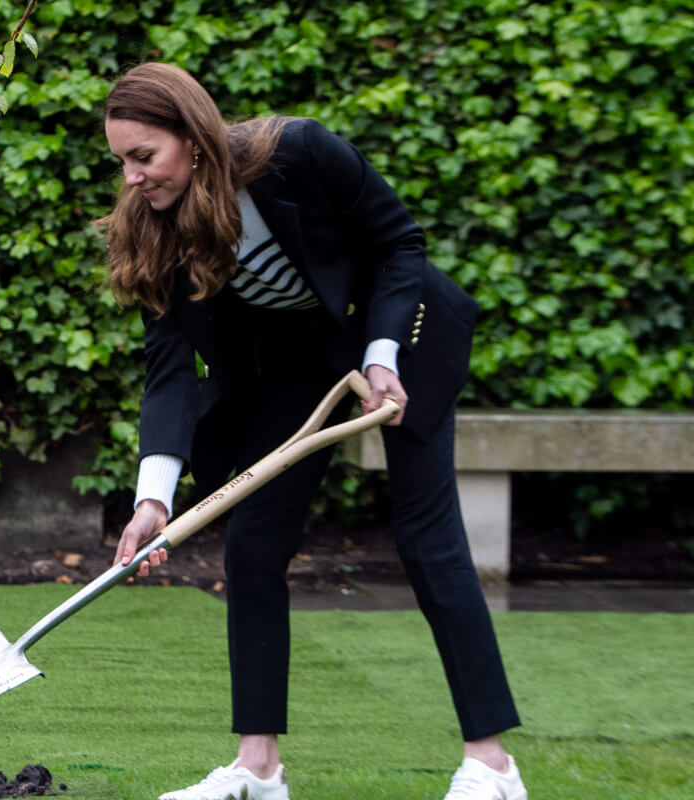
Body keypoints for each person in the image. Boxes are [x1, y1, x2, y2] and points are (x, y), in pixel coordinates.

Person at [99, 63, 526, 800]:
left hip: (401, 332)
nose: (134, 178)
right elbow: (170, 368)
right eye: (122, 163)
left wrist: (382, 355)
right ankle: (257, 769)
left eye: (145, 157)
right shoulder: (154, 229)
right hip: (301, 356)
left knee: (428, 537)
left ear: (195, 140)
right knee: (253, 541)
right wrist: (153, 500)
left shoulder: (298, 152)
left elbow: (399, 243)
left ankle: (492, 764)